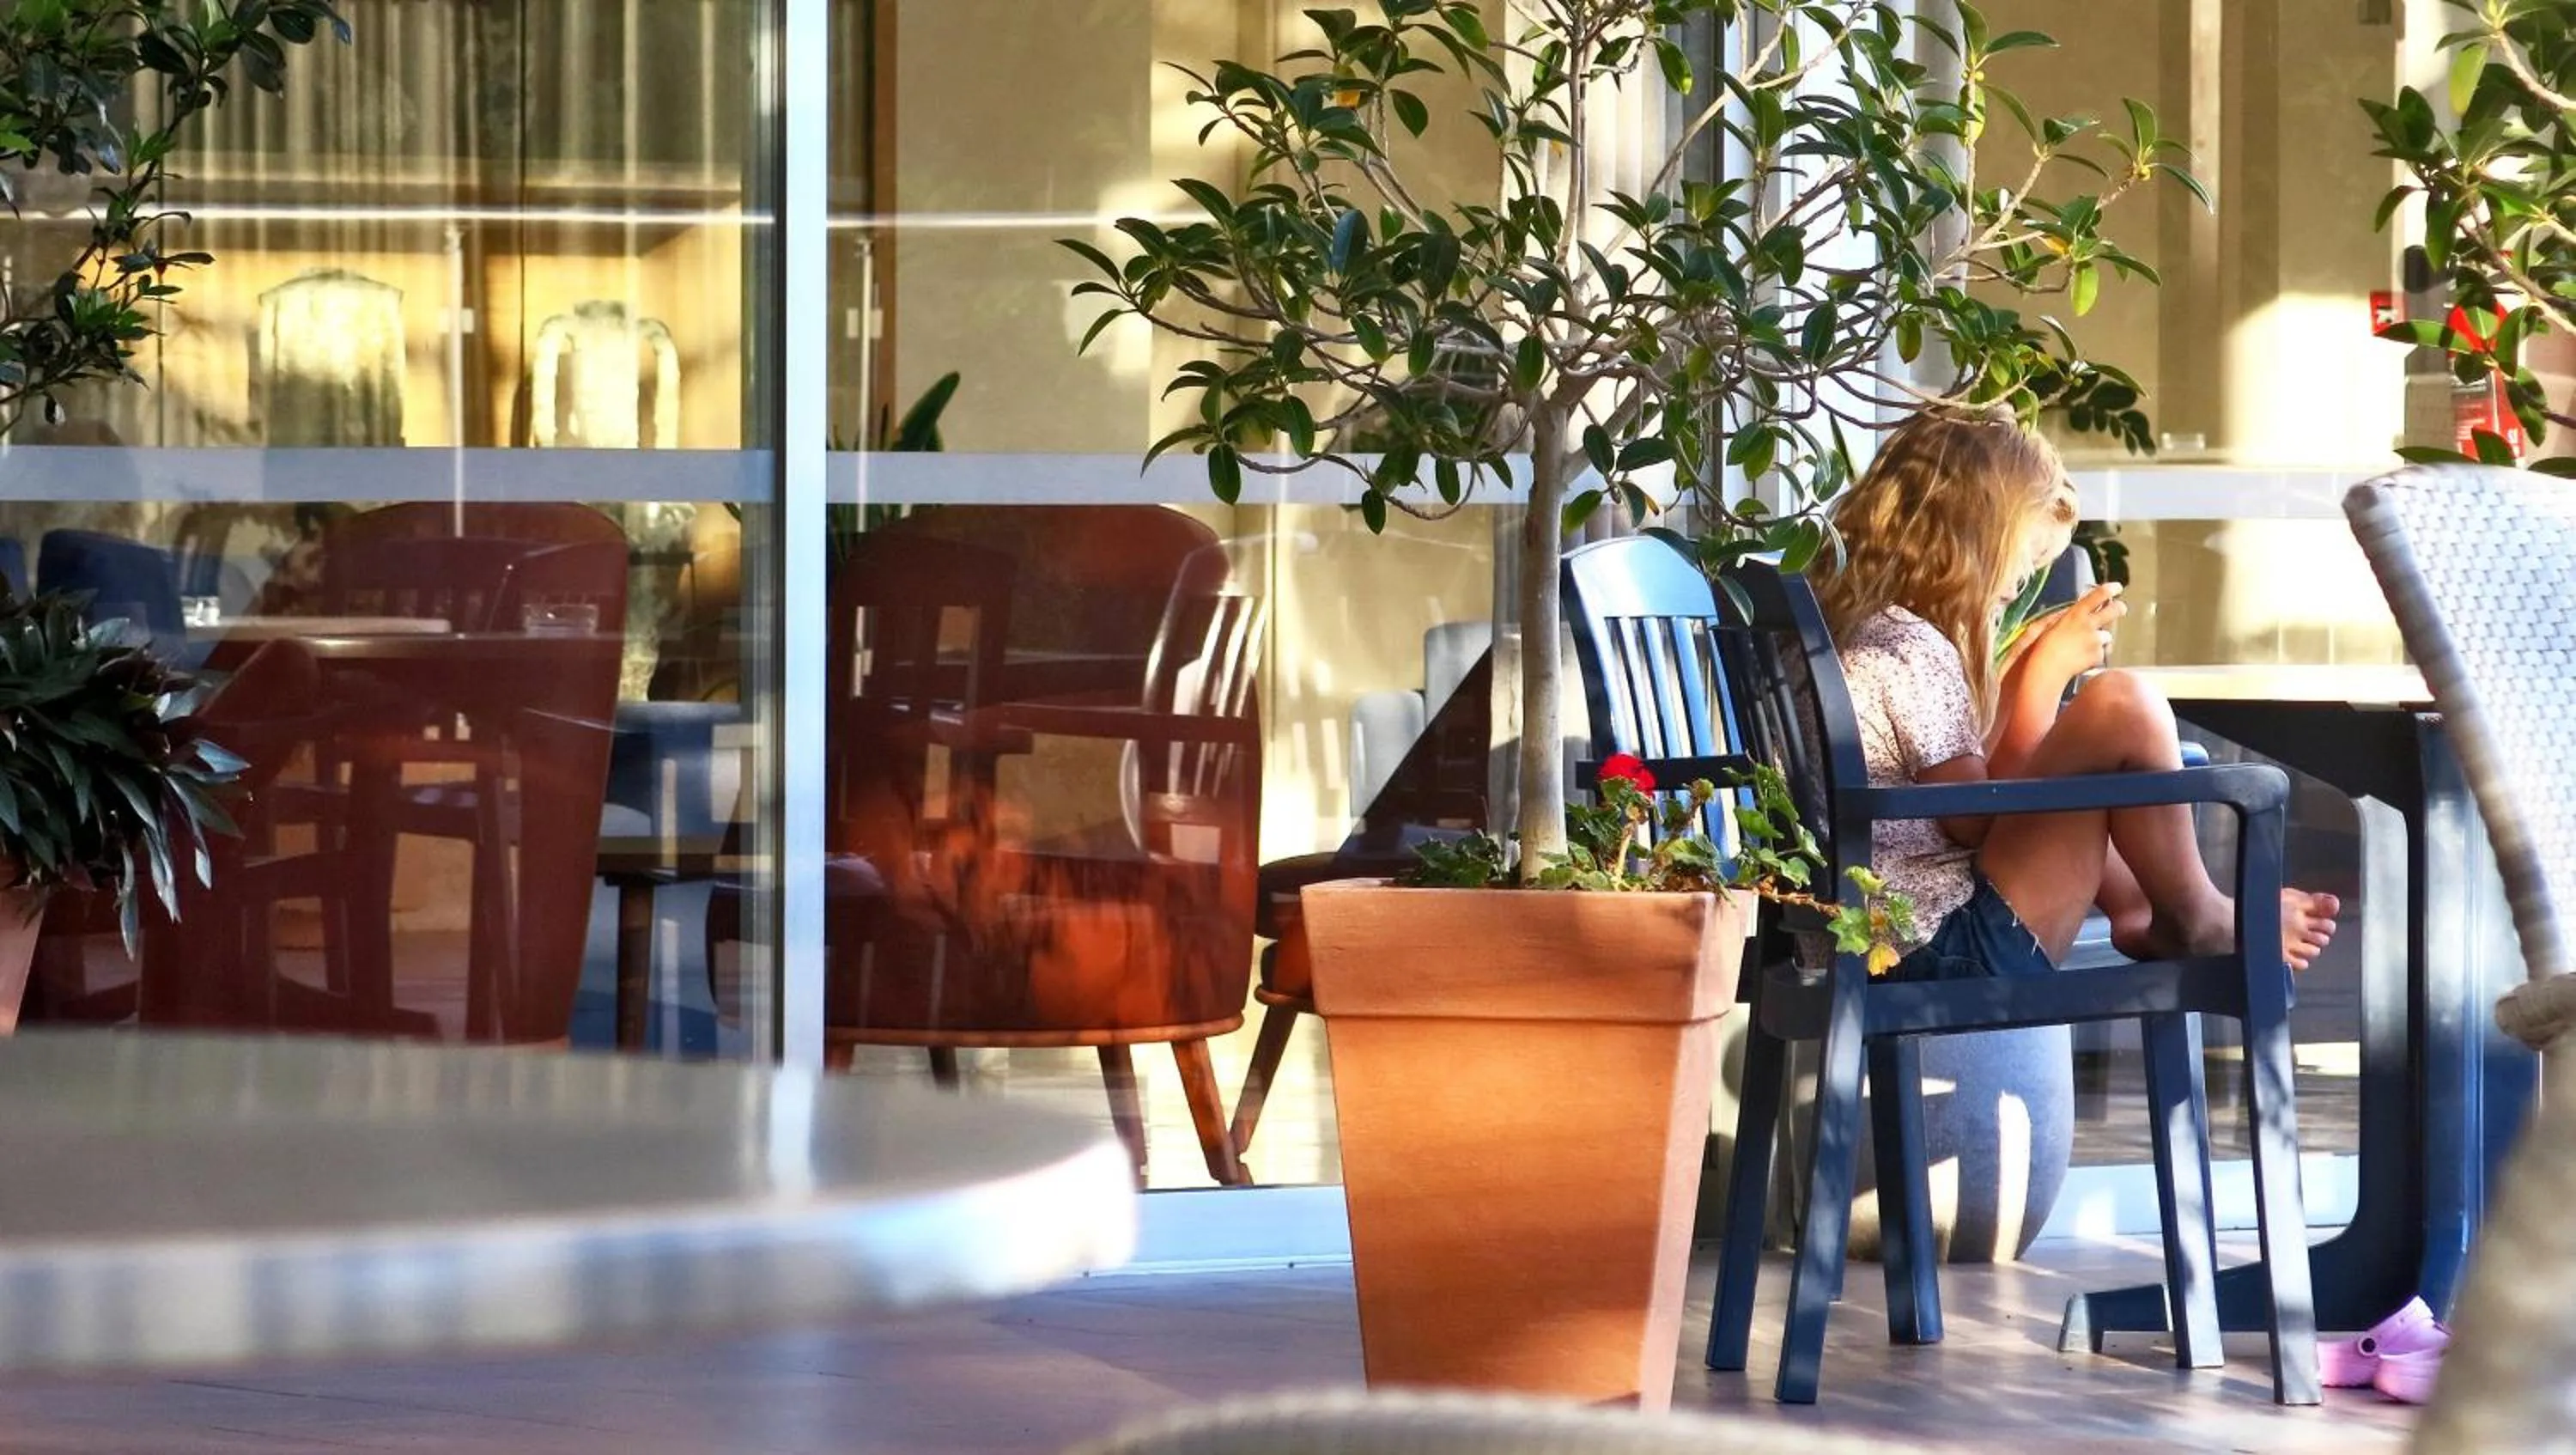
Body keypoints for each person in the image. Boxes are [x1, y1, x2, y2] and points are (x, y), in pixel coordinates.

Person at [1811, 405, 2338, 982]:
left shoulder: (1860, 629)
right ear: (1969, 536)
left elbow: (1959, 794)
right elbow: (1973, 819)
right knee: (2119, 705)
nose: (2015, 586)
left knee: (2098, 739)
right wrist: (2044, 681)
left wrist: (2016, 681)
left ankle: (2146, 909)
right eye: (2020, 559)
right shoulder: (1907, 645)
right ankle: (2195, 915)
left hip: (1887, 939)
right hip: (1941, 949)